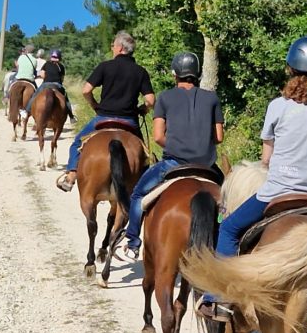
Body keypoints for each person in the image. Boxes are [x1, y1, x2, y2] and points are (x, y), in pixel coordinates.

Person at [196, 36, 307, 321]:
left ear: (291, 69)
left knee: (229, 228)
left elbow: (266, 159)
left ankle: (217, 299)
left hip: (276, 193)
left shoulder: (278, 107)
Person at [114, 51, 225, 262]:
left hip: (174, 163)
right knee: (229, 203)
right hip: (207, 166)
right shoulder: (212, 98)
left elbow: (157, 137)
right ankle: (227, 249)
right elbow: (218, 137)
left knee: (137, 195)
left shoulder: (164, 97)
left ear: (175, 74)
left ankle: (132, 243)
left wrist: (177, 145)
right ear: (197, 73)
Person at [56, 31, 156, 192]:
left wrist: (95, 105)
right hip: (129, 121)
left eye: (113, 45)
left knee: (77, 143)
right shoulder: (140, 71)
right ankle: (142, 187)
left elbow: (86, 90)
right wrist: (143, 109)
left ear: (120, 48)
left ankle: (72, 175)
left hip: (103, 118)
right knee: (144, 154)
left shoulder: (105, 66)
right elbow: (151, 100)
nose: (112, 48)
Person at [21, 49, 77, 123]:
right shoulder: (61, 66)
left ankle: (26, 111)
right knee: (66, 98)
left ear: (51, 56)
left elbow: (43, 75)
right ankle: (71, 117)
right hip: (57, 85)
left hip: (46, 84)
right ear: (59, 57)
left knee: (35, 95)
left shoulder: (46, 64)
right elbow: (62, 78)